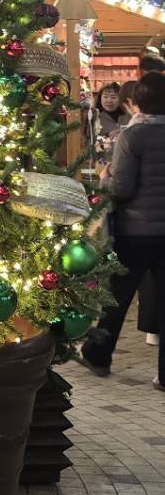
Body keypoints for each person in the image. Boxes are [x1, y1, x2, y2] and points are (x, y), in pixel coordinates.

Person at [81, 70, 165, 385]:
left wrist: (106, 178)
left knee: (118, 295)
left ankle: (98, 356)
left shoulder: (133, 136)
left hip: (136, 231)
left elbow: (122, 188)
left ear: (137, 102)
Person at [92, 81, 128, 152]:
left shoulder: (128, 116)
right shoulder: (95, 117)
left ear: (121, 99)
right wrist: (107, 136)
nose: (109, 100)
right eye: (105, 97)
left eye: (113, 97)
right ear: (100, 98)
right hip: (103, 158)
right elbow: (91, 143)